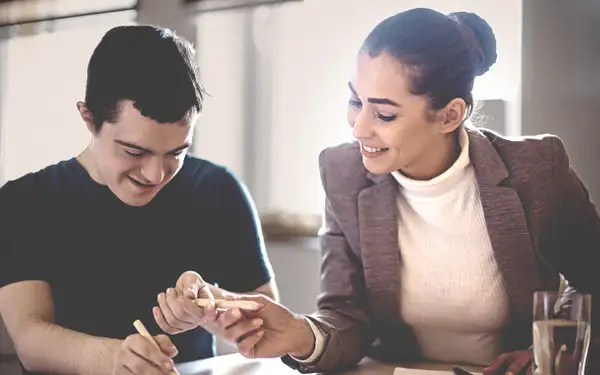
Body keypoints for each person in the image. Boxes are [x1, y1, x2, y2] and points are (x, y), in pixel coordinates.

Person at [161, 7, 600, 375]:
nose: (358, 127)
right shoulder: (343, 172)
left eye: (385, 114)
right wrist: (299, 333)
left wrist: (550, 351)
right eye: (356, 101)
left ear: (450, 115)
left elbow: (591, 280)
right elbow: (346, 317)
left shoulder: (535, 169)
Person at [0, 25, 278, 375]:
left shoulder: (218, 190)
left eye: (176, 153)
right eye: (134, 151)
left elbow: (264, 323)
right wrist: (116, 358)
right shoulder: (25, 203)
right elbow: (30, 340)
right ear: (88, 118)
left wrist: (216, 312)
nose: (155, 174)